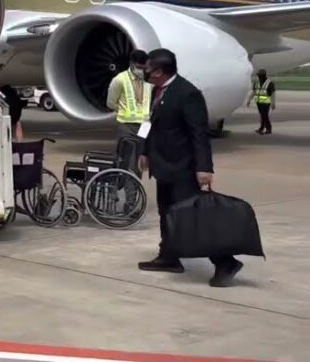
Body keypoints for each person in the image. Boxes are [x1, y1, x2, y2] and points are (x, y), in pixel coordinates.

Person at [137, 48, 243, 287]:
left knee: (193, 218)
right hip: (164, 166)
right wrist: (145, 151)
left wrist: (204, 167)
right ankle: (169, 256)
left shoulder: (187, 94)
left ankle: (225, 262)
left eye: (148, 68)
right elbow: (152, 123)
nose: (145, 72)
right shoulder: (158, 90)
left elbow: (199, 134)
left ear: (160, 71)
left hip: (183, 169)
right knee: (166, 213)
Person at [107, 49, 151, 151]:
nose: (141, 71)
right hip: (127, 125)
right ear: (131, 63)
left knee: (143, 152)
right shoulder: (119, 80)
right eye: (139, 67)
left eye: (144, 68)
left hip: (145, 125)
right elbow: (111, 103)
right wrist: (125, 110)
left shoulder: (149, 80)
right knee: (127, 153)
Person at [246, 69, 275, 135]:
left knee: (265, 115)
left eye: (259, 75)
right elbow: (254, 92)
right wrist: (249, 100)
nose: (258, 77)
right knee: (262, 116)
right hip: (259, 102)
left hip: (266, 103)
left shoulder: (269, 83)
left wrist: (273, 103)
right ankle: (262, 128)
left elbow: (273, 94)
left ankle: (268, 128)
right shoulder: (257, 83)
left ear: (263, 76)